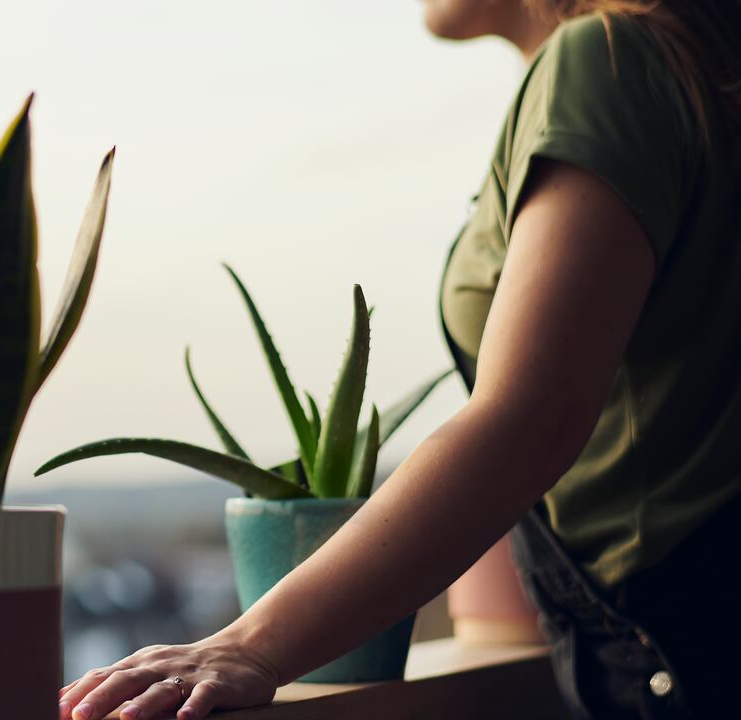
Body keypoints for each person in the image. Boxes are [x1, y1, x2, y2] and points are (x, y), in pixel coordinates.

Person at [56, 1, 741, 718]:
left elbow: (528, 423)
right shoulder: (685, 63)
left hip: (680, 661)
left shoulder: (604, 62)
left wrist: (252, 645)